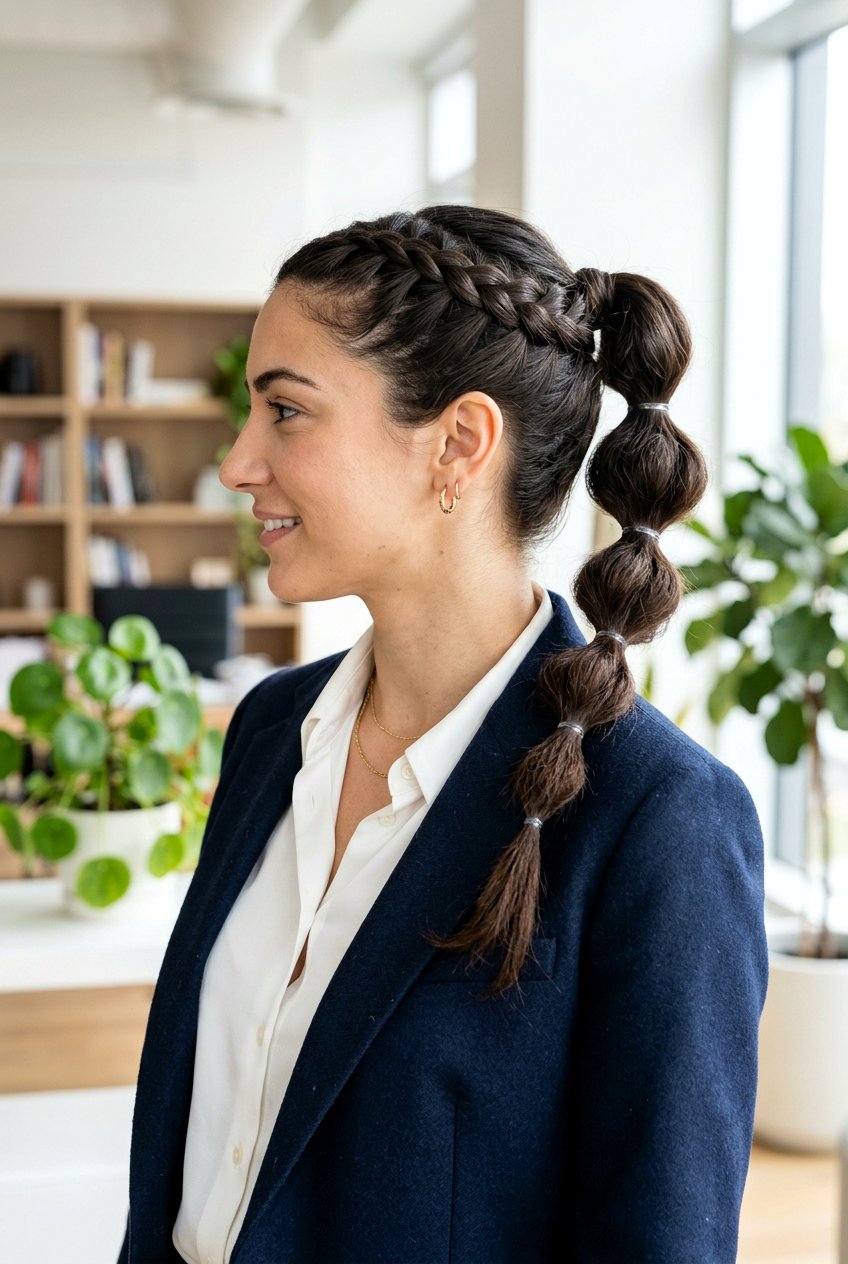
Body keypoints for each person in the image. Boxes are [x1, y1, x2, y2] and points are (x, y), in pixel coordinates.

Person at [119, 205, 768, 1264]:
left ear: (458, 445)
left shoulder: (656, 820)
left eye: (284, 411)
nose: (238, 461)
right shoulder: (272, 730)